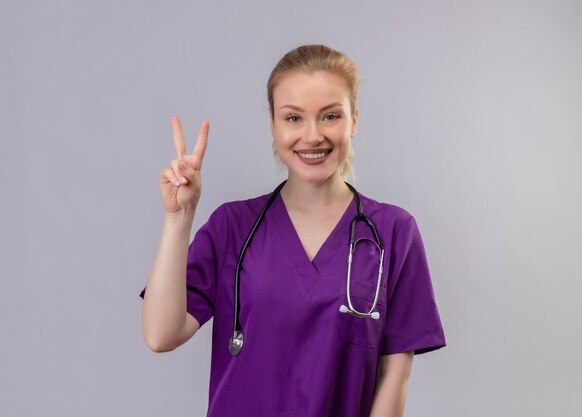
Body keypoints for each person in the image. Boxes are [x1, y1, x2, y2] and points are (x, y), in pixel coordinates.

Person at [138, 44, 446, 417]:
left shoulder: (393, 233)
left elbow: (395, 374)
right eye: (294, 118)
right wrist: (178, 218)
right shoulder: (232, 227)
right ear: (273, 122)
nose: (312, 136)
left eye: (330, 116)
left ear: (354, 121)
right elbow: (160, 334)